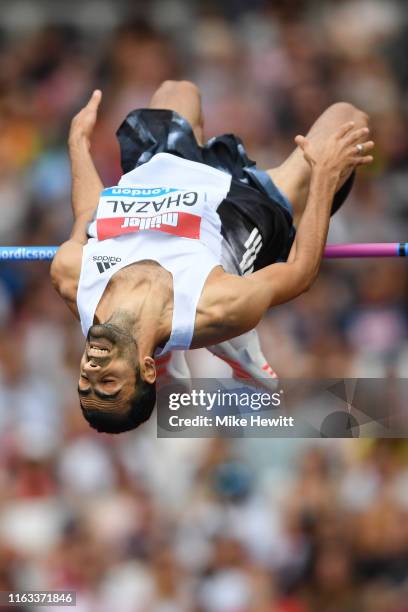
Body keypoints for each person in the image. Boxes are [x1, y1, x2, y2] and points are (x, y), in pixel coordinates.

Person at [50, 80, 373, 434]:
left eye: (84, 383)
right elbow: (299, 274)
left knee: (178, 91)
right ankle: (226, 341)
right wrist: (324, 178)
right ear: (145, 369)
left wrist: (77, 143)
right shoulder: (215, 304)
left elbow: (88, 213)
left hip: (161, 175)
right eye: (108, 383)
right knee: (348, 120)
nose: (92, 371)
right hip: (241, 209)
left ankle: (188, 347)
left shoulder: (71, 276)